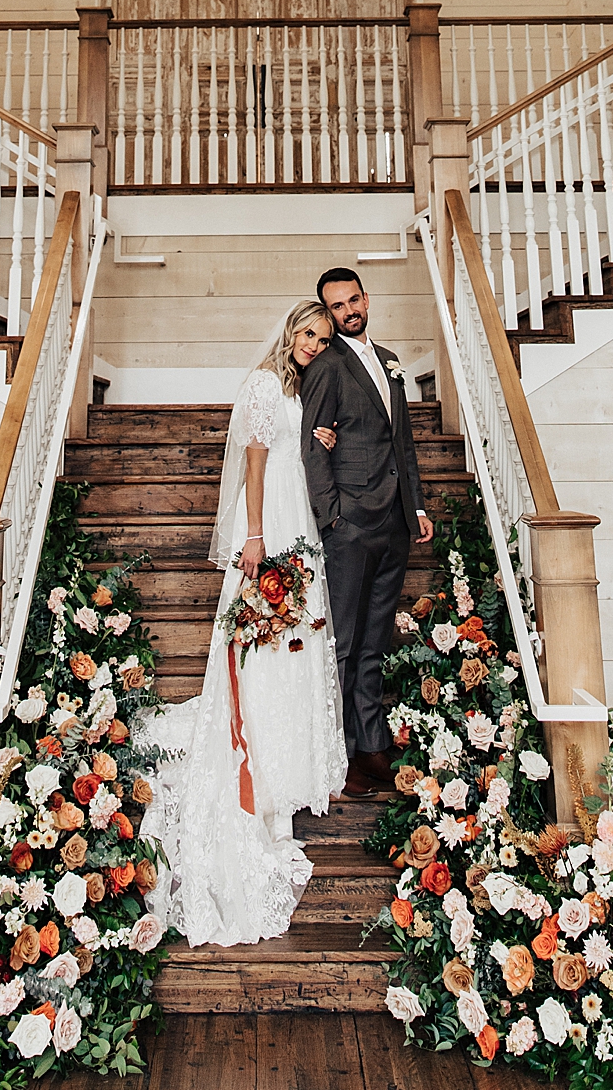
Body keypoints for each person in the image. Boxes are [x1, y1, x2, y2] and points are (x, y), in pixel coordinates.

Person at [138, 301, 348, 946]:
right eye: (308, 333)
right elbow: (256, 461)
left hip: (301, 520)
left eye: (324, 337)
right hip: (271, 522)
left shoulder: (303, 388)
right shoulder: (263, 383)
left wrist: (322, 442)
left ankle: (286, 770)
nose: (315, 343)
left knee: (297, 643)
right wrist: (255, 535)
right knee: (262, 647)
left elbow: (294, 450)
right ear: (289, 331)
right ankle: (258, 772)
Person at [299, 267, 432, 797]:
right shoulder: (327, 368)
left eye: (354, 300)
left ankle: (373, 746)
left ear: (366, 299)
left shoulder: (389, 361)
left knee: (375, 640)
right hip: (349, 526)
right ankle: (341, 752)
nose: (349, 311)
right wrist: (333, 518)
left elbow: (404, 444)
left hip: (394, 524)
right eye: (337, 307)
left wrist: (416, 506)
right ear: (327, 313)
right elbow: (313, 450)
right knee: (345, 644)